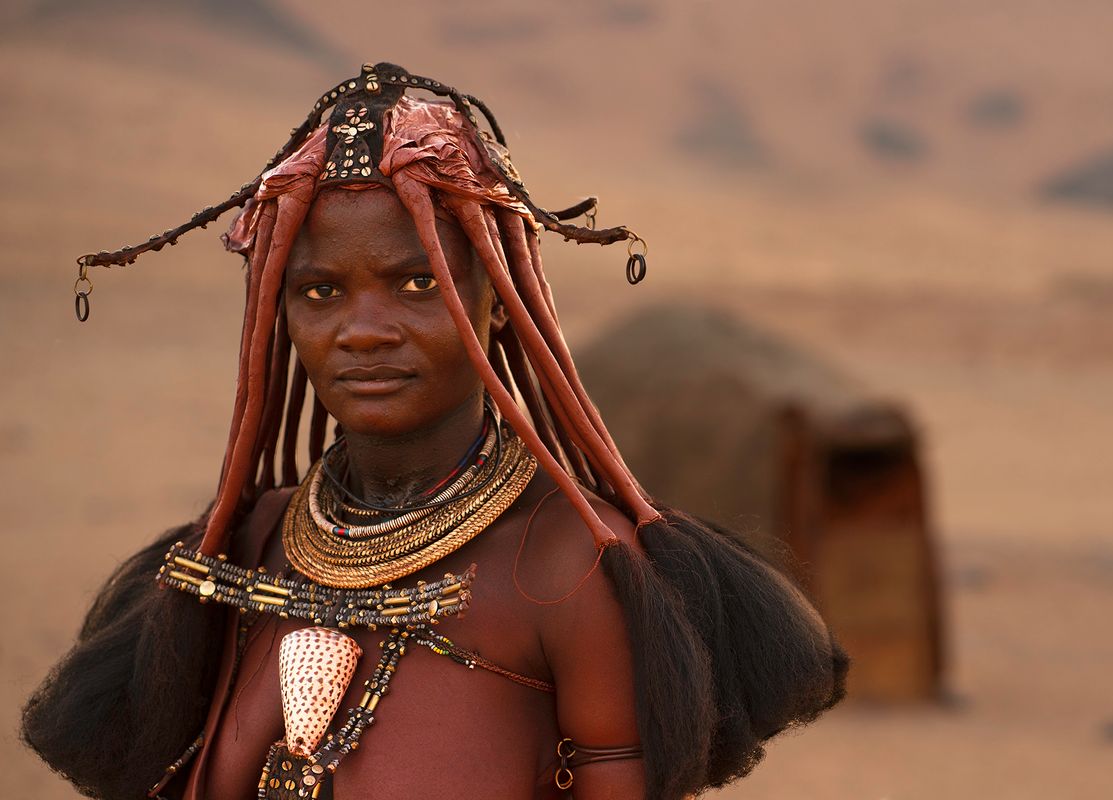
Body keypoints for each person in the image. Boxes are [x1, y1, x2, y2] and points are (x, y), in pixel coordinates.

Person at [23, 63, 847, 800]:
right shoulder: (242, 548)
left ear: (496, 304)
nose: (363, 330)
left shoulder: (568, 568)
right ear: (278, 314)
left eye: (417, 282)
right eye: (319, 292)